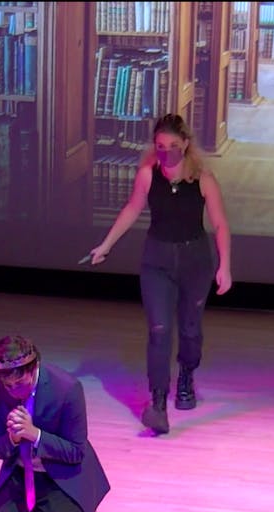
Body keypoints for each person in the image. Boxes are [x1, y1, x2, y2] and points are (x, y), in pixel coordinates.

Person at [84, 113, 233, 435]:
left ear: (186, 145)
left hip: (195, 261)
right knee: (159, 329)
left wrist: (225, 266)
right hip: (157, 261)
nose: (166, 152)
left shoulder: (203, 179)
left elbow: (220, 224)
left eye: (173, 146)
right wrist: (106, 245)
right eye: (160, 146)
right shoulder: (148, 176)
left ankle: (186, 377)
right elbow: (131, 209)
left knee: (190, 330)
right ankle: (158, 403)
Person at [0, 334, 110, 512]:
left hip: (63, 479)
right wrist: (13, 439)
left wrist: (36, 435)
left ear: (34, 368)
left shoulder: (67, 388)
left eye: (19, 384)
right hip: (22, 477)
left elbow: (76, 452)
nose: (13, 391)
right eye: (7, 386)